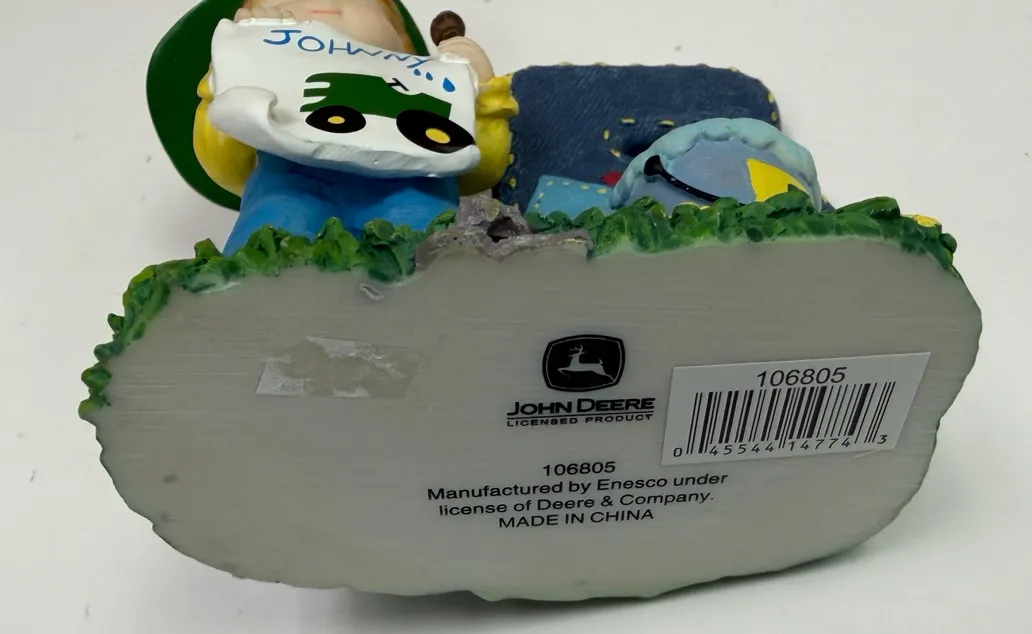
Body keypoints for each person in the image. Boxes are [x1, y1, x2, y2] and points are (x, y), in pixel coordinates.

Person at [192, 0, 518, 253]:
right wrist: (239, 62)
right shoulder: (273, 84)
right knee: (278, 220)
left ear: (401, 42)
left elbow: (481, 168)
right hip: (290, 183)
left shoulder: (427, 87)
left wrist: (479, 90)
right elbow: (223, 159)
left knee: (424, 228)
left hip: (412, 187)